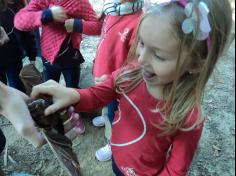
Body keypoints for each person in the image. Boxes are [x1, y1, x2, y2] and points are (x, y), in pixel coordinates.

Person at [30, 0, 232, 175]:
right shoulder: (132, 73)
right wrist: (73, 95)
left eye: (159, 55)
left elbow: (175, 170)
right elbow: (97, 95)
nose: (141, 59)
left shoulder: (188, 118)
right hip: (118, 160)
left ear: (196, 64)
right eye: (141, 44)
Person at [91, 0, 143, 162]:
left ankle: (112, 143)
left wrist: (116, 79)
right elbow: (102, 34)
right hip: (103, 74)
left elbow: (137, 63)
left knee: (115, 113)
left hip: (117, 84)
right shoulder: (112, 10)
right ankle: (105, 114)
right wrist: (79, 25)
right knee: (107, 105)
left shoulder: (139, 22)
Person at [14, 0, 102, 89]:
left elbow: (98, 27)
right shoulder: (43, 1)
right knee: (49, 91)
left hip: (70, 56)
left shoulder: (79, 2)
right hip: (48, 55)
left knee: (72, 90)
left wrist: (77, 25)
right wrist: (48, 14)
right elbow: (19, 21)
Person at [0, 0, 37, 92]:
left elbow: (27, 34)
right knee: (2, 94)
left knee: (17, 88)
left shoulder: (20, 7)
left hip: (14, 57)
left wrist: (32, 56)